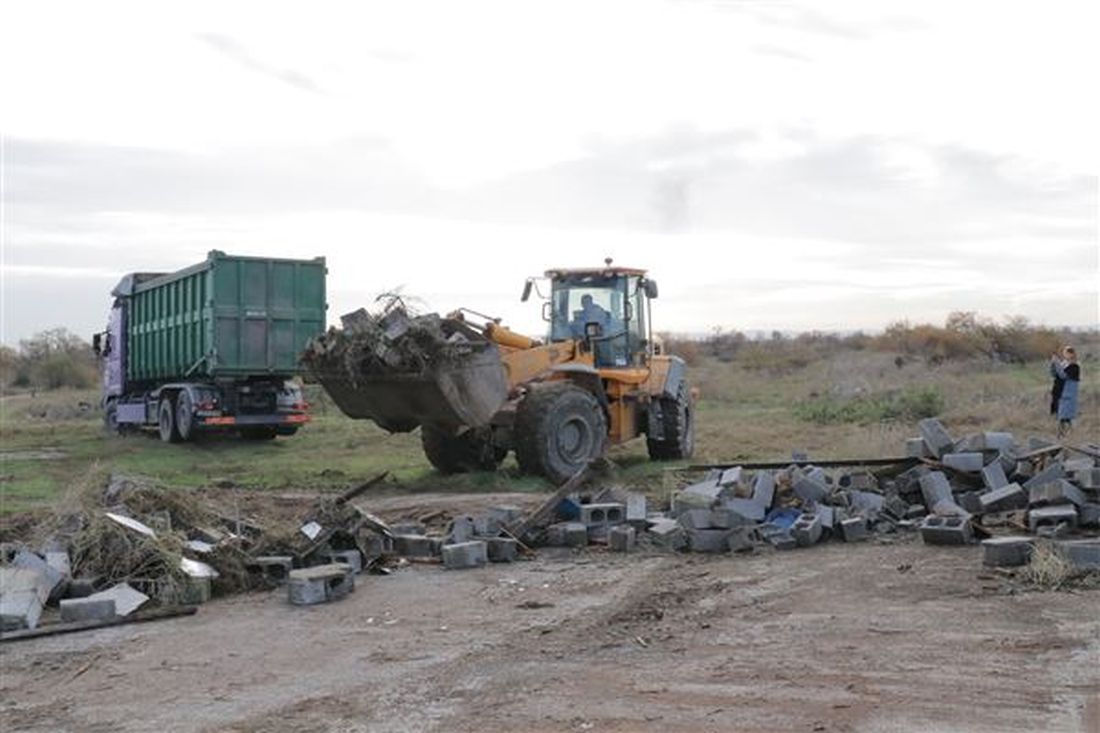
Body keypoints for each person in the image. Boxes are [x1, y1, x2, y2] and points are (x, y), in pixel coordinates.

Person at [1050, 346, 1080, 438]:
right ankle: (1065, 436)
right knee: (1062, 416)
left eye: (1067, 353)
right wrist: (1053, 364)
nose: (1065, 355)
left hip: (1068, 394)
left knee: (1065, 416)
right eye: (1065, 353)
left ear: (1072, 354)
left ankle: (1063, 435)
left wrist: (1057, 363)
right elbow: (1054, 374)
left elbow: (1063, 375)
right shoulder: (1063, 364)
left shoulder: (1075, 366)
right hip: (1060, 393)